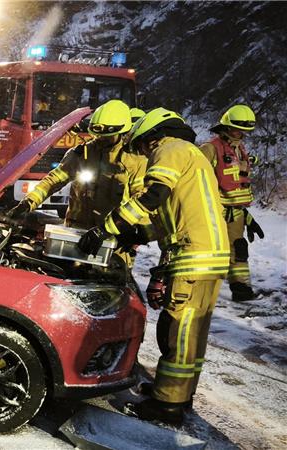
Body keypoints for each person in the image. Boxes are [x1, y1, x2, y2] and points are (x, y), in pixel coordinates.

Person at [77, 108, 229, 426]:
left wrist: (106, 228)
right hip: (205, 255)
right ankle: (175, 393)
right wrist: (136, 234)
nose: (144, 154)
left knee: (179, 332)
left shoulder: (170, 149)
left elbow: (153, 196)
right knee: (190, 334)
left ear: (152, 137)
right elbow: (170, 221)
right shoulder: (189, 155)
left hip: (194, 256)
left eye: (143, 146)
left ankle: (167, 406)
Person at [6, 99, 148, 263]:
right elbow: (54, 180)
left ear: (122, 132)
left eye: (106, 137)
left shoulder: (135, 161)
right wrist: (28, 203)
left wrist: (134, 235)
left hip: (112, 243)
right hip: (75, 238)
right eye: (97, 136)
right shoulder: (82, 154)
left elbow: (142, 202)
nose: (100, 140)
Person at [199, 104, 263, 301]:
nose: (240, 133)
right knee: (210, 252)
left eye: (244, 130)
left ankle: (241, 289)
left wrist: (244, 212)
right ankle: (200, 291)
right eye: (237, 129)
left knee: (239, 248)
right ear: (226, 127)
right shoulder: (210, 148)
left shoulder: (240, 149)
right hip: (216, 212)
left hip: (236, 212)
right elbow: (197, 176)